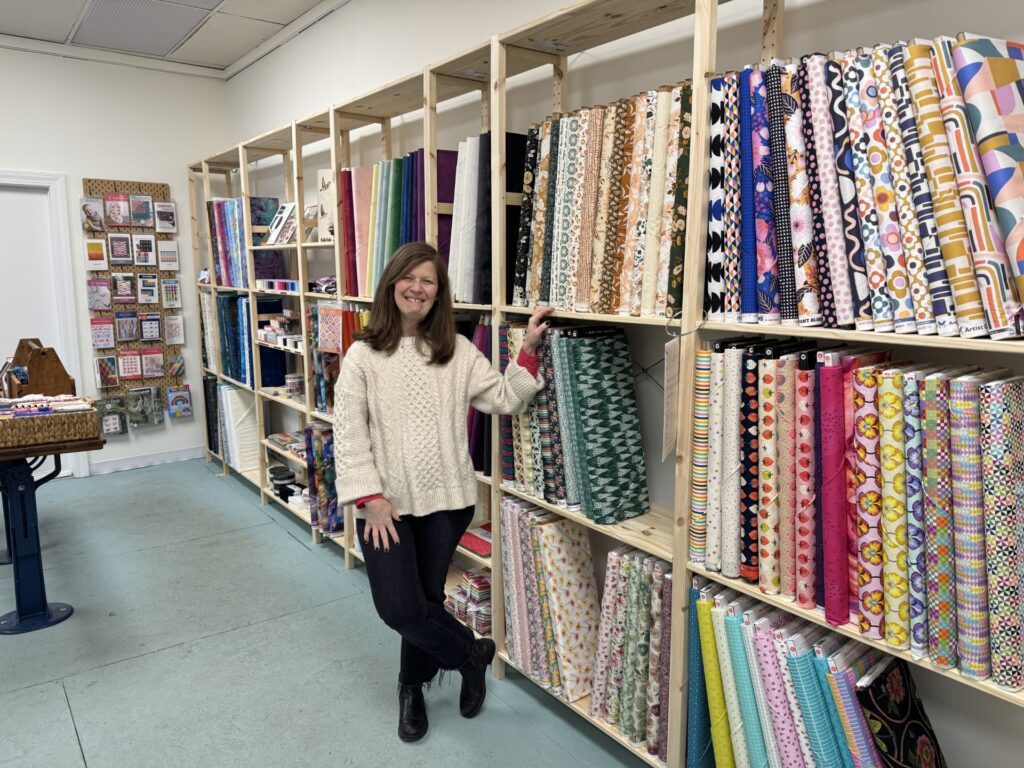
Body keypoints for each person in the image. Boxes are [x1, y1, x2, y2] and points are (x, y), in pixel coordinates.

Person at [334, 241, 551, 743]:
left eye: (428, 281)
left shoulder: (455, 351)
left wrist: (529, 350)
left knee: (427, 598)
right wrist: (370, 498)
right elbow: (348, 432)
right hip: (385, 506)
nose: (417, 288)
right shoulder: (363, 354)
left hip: (448, 502)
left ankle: (411, 689)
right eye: (409, 278)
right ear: (392, 285)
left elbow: (503, 398)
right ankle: (470, 656)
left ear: (439, 293)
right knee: (400, 609)